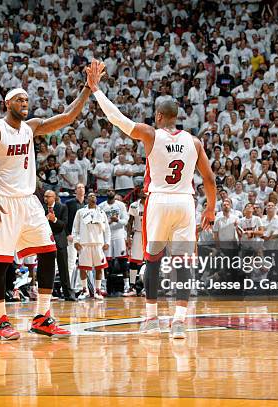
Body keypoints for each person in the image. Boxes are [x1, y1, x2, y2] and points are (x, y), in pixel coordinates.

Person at [86, 60, 216, 339]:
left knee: (153, 261)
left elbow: (117, 119)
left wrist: (96, 90)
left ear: (158, 116)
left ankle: (152, 318)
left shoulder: (150, 134)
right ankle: (180, 322)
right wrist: (211, 211)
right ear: (176, 116)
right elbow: (210, 180)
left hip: (158, 201)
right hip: (185, 202)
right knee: (183, 264)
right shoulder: (194, 142)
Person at [0, 80, 91, 340]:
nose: (24, 104)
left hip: (29, 201)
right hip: (3, 202)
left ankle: (42, 317)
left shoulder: (31, 127)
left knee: (49, 253)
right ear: (7, 104)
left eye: (26, 100)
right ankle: (0, 320)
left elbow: (68, 116)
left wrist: (87, 89)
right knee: (1, 263)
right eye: (19, 100)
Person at [73, 192, 110, 300]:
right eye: (90, 196)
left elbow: (107, 229)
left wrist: (107, 242)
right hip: (84, 243)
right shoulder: (80, 212)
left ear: (96, 199)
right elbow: (75, 228)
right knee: (83, 269)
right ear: (86, 199)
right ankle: (85, 290)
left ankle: (98, 290)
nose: (92, 197)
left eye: (94, 195)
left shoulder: (102, 212)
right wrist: (76, 241)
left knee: (99, 268)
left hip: (98, 243)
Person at [43, 190, 75, 301]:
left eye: (48, 196)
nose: (46, 198)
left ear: (54, 197)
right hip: (45, 240)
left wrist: (54, 219)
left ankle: (68, 294)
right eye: (45, 196)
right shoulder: (41, 208)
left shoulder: (62, 207)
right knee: (46, 269)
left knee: (64, 269)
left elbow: (63, 225)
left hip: (60, 241)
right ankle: (46, 294)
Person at [126, 188, 146, 296]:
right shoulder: (134, 205)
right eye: (142, 191)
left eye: (145, 190)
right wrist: (128, 236)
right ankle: (132, 287)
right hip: (138, 234)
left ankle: (146, 287)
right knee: (134, 261)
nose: (144, 192)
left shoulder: (152, 204)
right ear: (139, 193)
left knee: (149, 261)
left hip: (149, 234)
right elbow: (130, 222)